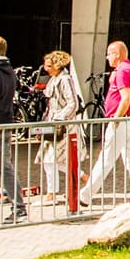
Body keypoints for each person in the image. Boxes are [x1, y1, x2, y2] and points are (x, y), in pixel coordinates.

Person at [80, 40, 130, 209]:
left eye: (109, 53)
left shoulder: (122, 71)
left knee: (107, 158)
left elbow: (126, 98)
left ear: (117, 54)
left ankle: (86, 195)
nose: (107, 57)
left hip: (121, 121)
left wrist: (115, 119)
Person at [0, 35, 28, 224]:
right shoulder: (9, 71)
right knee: (6, 169)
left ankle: (18, 209)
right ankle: (19, 209)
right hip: (5, 125)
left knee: (5, 169)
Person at [38, 50, 81, 202]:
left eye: (49, 65)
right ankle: (82, 177)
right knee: (55, 159)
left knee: (51, 159)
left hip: (62, 126)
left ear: (57, 66)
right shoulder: (55, 79)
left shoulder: (64, 79)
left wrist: (60, 118)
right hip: (55, 124)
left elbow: (72, 103)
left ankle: (52, 193)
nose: (45, 68)